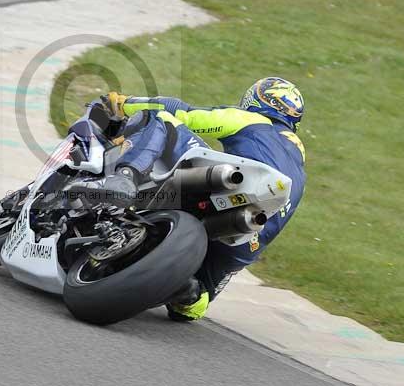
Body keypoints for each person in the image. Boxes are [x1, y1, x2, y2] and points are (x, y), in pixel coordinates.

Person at [89, 77, 306, 321]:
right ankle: (186, 291)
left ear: (256, 100)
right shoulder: (300, 167)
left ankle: (125, 178)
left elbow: (183, 112)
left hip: (226, 188)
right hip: (247, 238)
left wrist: (124, 104)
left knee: (162, 120)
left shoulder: (254, 120)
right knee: (191, 310)